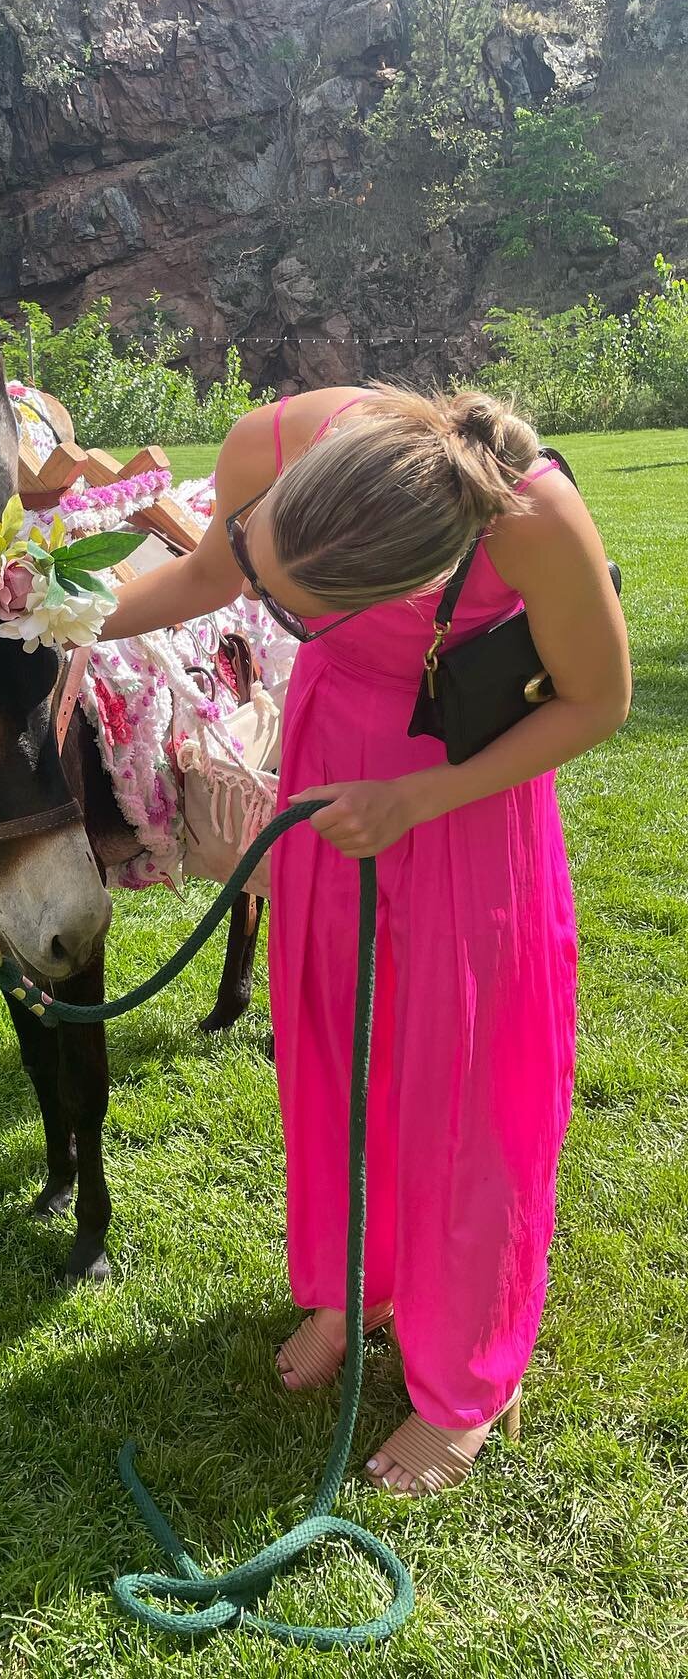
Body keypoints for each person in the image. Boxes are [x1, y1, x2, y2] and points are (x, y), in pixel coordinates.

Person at [105, 384, 630, 1495]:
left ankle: (464, 1375)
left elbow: (596, 701)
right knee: (333, 1039)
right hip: (330, 749)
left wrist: (416, 797)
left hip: (462, 785)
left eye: (304, 608)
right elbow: (207, 576)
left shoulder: (530, 518)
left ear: (419, 580)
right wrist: (49, 622)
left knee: (464, 1072)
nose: (276, 611)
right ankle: (360, 1285)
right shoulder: (277, 437)